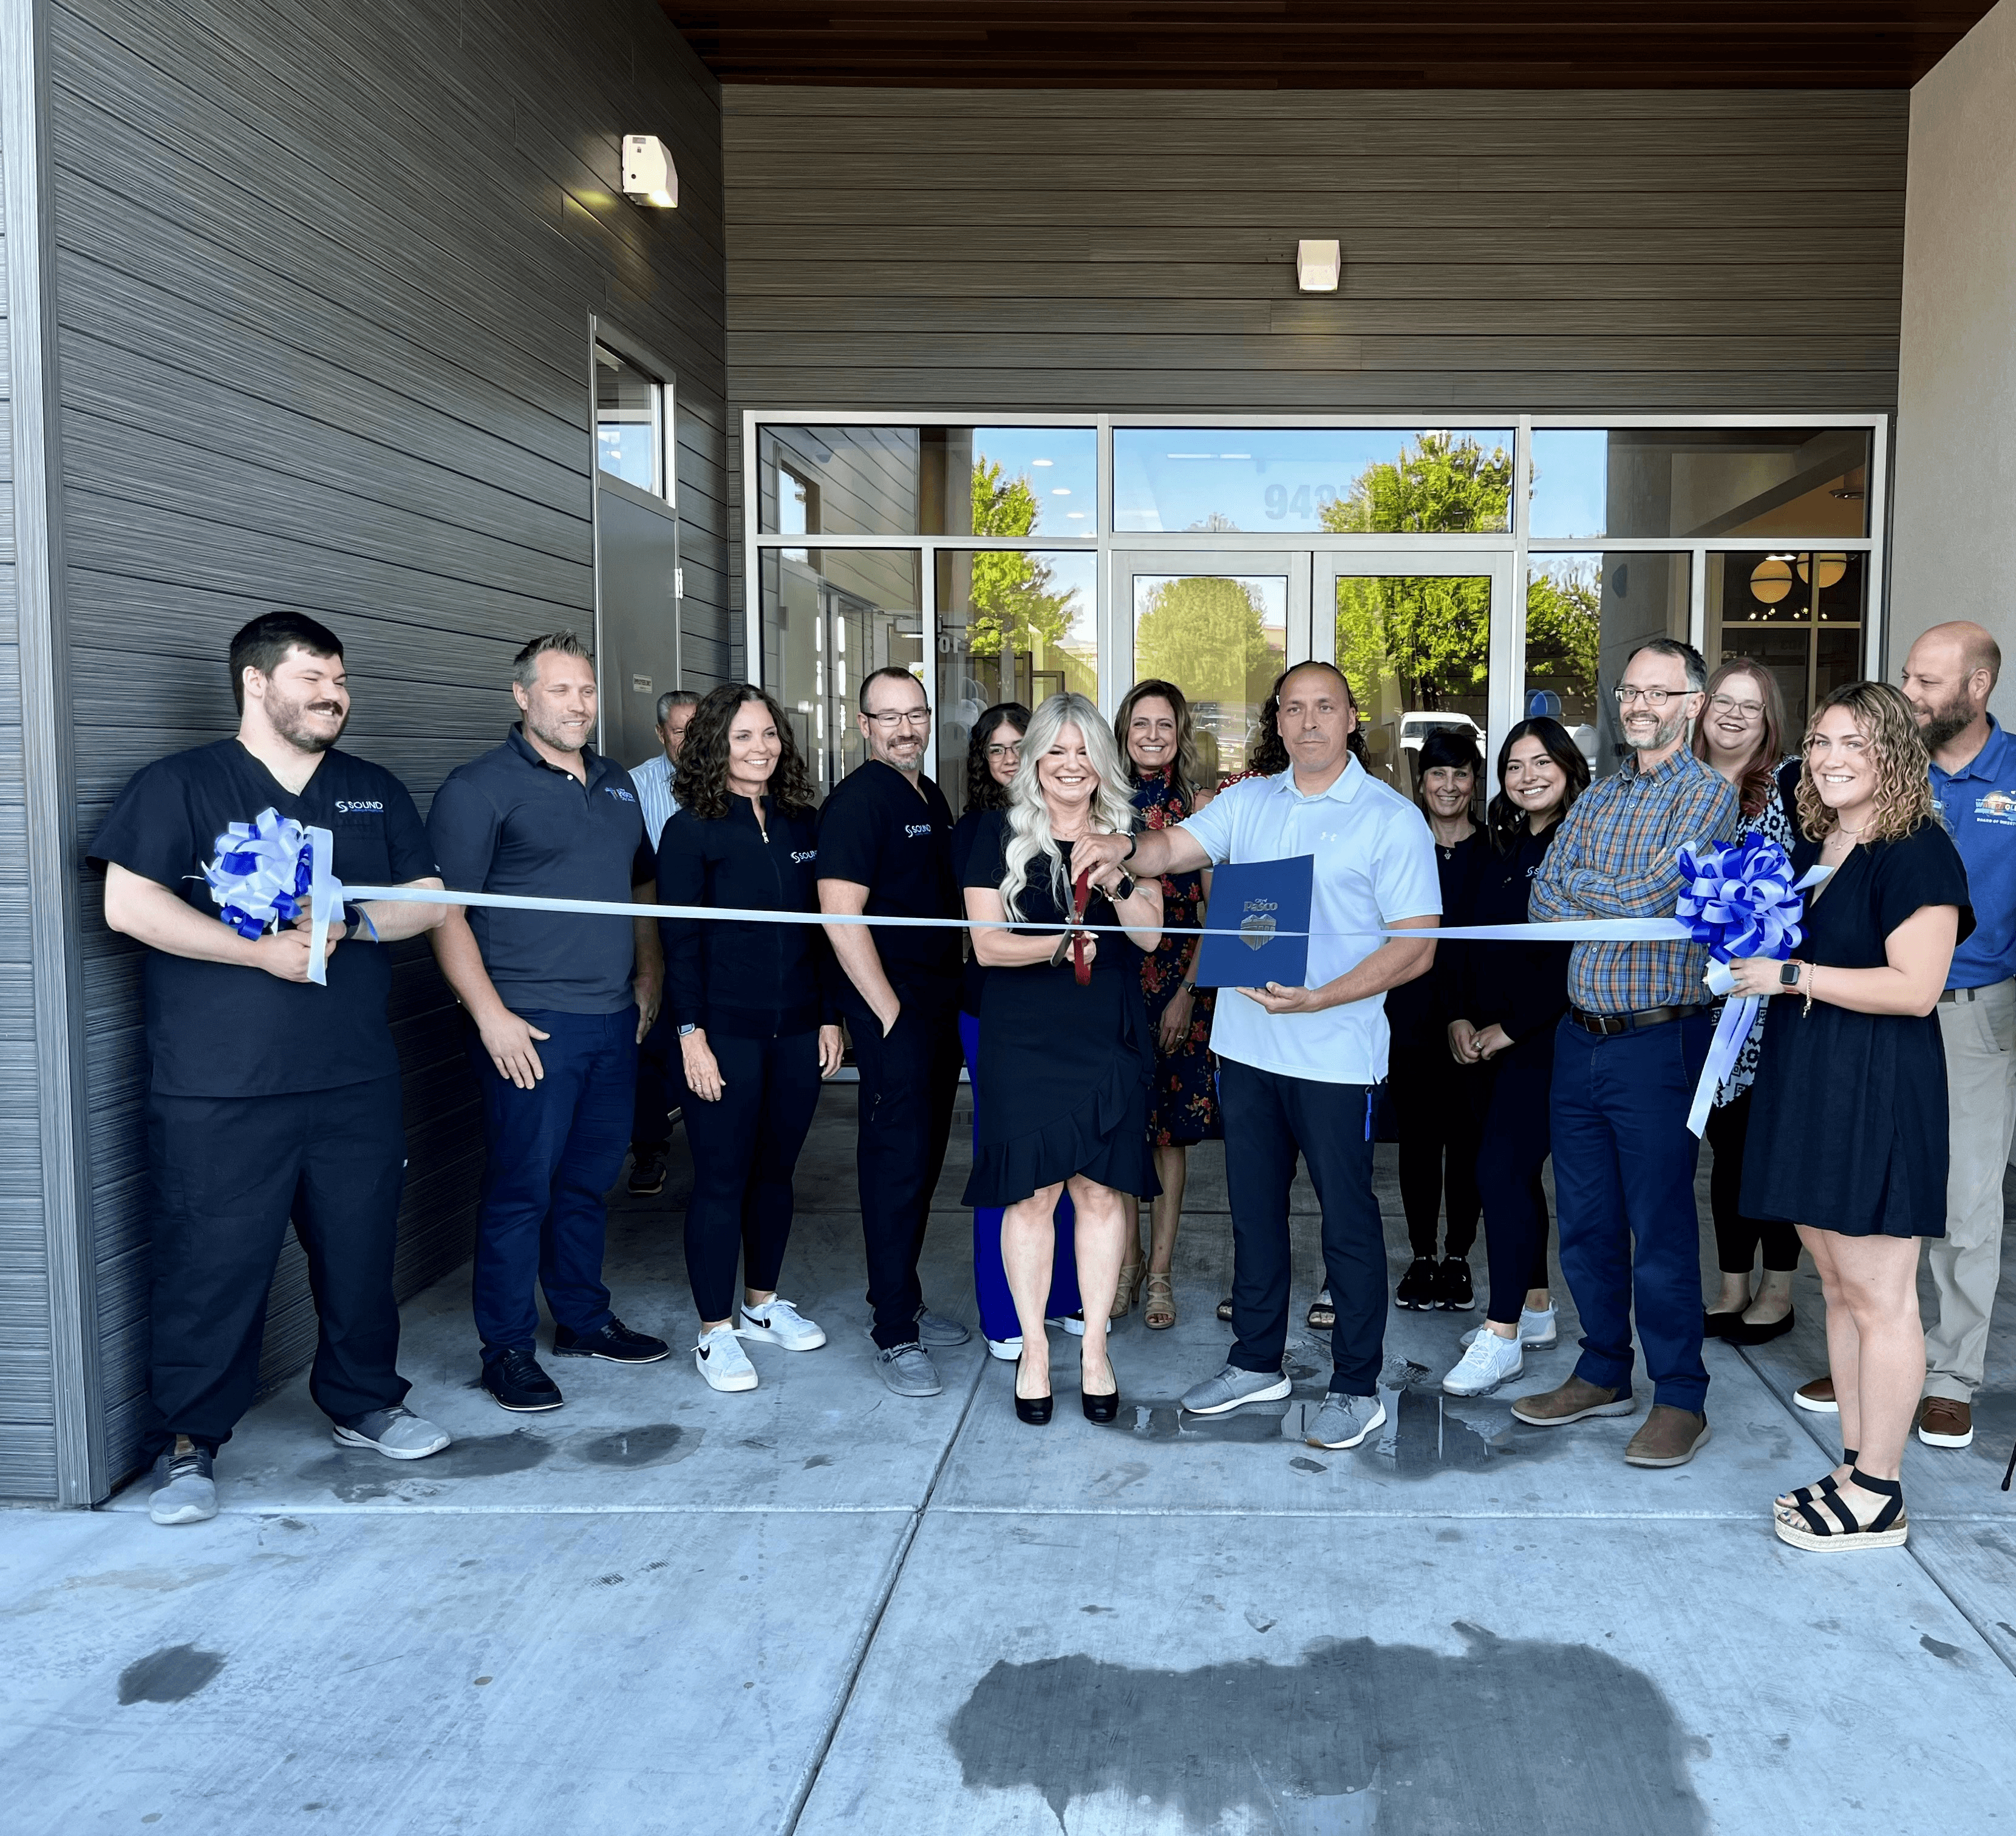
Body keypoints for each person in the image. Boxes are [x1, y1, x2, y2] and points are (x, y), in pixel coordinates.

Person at [91, 612, 451, 1526]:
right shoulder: (182, 785)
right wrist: (253, 955)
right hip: (220, 1084)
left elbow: (429, 902)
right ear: (256, 684)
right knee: (212, 1261)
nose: (334, 695)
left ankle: (366, 1402)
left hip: (351, 1076)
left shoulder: (369, 790)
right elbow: (129, 905)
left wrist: (356, 921)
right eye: (313, 679)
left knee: (361, 1253)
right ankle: (188, 1442)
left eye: (340, 681)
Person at [1076, 662, 1440, 1453]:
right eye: (1294, 709)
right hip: (1245, 1051)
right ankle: (1255, 1363)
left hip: (1337, 1057)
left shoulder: (1390, 818)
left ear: (1351, 720)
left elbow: (1416, 948)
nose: (1309, 722)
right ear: (1277, 722)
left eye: (1325, 708)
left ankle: (1355, 1385)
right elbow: (1171, 847)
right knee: (1253, 1213)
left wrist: (1321, 997)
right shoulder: (1249, 802)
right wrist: (1120, 847)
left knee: (1346, 1221)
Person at [1733, 682, 1970, 1550]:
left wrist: (1792, 977)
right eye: (1824, 741)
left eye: (1855, 745)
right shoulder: (1819, 840)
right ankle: (1855, 1464)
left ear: (1895, 756)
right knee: (1834, 1285)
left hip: (1877, 1084)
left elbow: (1916, 990)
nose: (1832, 759)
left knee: (1880, 1294)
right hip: (1813, 1077)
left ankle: (1883, 1489)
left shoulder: (1917, 852)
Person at [1512, 638, 1740, 1468]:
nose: (1639, 704)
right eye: (1629, 690)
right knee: (1587, 1223)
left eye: (1658, 691)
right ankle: (1604, 1370)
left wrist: (1587, 891)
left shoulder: (1710, 795)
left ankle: (1681, 1394)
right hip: (1581, 1040)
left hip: (1657, 1040)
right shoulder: (1599, 797)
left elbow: (1657, 892)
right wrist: (1590, 892)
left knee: (1661, 1224)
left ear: (1692, 704)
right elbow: (1543, 896)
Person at [429, 631, 669, 1413]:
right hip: (529, 1025)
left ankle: (581, 1319)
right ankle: (504, 1348)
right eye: (561, 690)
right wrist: (489, 1015)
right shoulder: (479, 787)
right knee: (519, 1191)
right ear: (522, 696)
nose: (578, 705)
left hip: (610, 1021)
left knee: (585, 1184)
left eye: (588, 691)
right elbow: (443, 914)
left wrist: (646, 975)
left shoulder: (615, 785)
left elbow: (639, 889)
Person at [1795, 624, 2016, 1450]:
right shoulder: (1836, 830)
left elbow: (1912, 978)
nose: (1916, 695)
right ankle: (1882, 1366)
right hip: (1850, 1039)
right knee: (1863, 1246)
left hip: (1963, 1009)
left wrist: (1793, 978)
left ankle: (1947, 1378)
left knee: (1959, 1204)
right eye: (1909, 682)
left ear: (1979, 685)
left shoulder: (1965, 809)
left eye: (1929, 683)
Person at [961, 692, 1163, 1424]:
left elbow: (1146, 939)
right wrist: (1057, 946)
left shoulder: (1127, 833)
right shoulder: (994, 832)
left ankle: (1094, 1350)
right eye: (1056, 751)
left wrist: (1114, 875)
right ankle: (1037, 1353)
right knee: (1031, 1196)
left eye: (1083, 752)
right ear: (1033, 761)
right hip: (1023, 1034)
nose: (1070, 765)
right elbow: (985, 945)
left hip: (1103, 1032)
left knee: (1101, 1193)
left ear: (1099, 762)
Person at [658, 685, 844, 1393]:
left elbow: (824, 932)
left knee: (775, 1173)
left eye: (768, 733)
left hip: (795, 1027)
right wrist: (689, 1036)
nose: (759, 748)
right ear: (713, 745)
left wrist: (828, 1014)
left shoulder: (801, 823)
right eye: (742, 737)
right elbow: (679, 943)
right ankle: (714, 1333)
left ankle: (762, 1305)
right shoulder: (691, 830)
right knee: (720, 1180)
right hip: (723, 1033)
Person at [818, 665, 972, 1397]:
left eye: (914, 715)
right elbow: (839, 916)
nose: (904, 728)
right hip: (897, 1014)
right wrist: (885, 1011)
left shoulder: (927, 793)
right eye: (888, 717)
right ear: (862, 724)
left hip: (937, 1008)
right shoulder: (856, 803)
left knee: (924, 1162)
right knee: (892, 1168)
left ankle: (902, 1301)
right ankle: (893, 1334)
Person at [1437, 718, 1586, 1395]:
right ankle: (1533, 1310)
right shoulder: (1503, 843)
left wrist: (1511, 1027)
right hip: (1483, 1042)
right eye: (1513, 766)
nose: (1525, 776)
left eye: (1539, 763)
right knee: (1508, 1178)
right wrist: (1460, 1016)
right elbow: (1469, 941)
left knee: (1501, 1173)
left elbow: (1569, 957)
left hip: (1542, 1043)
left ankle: (1500, 1340)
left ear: (1566, 767)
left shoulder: (1577, 842)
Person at [951, 704, 1083, 1360]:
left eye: (1018, 746)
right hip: (993, 1014)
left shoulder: (1082, 822)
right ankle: (1004, 1314)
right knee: (1010, 1168)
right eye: (996, 749)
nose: (1008, 758)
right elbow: (983, 942)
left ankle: (1061, 1298)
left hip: (1067, 1020)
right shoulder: (980, 828)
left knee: (1066, 1165)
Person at [1691, 661, 1803, 1344]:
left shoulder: (1791, 783)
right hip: (1696, 998)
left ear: (1768, 721)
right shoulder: (1679, 783)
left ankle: (1777, 1289)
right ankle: (1731, 1284)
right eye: (1723, 702)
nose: (1733, 716)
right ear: (1701, 709)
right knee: (1725, 1146)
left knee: (1767, 1145)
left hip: (1770, 999)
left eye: (1750, 707)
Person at [1116, 679, 1221, 1332]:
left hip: (1183, 982)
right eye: (1140, 724)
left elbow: (1215, 912)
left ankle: (1159, 1275)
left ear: (1179, 733)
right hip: (1116, 983)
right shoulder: (1102, 802)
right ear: (1124, 732)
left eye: (1164, 725)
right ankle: (1121, 1267)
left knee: (1168, 1138)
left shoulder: (1201, 806)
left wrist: (1186, 992)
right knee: (1123, 1130)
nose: (1152, 736)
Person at [1386, 729, 1486, 1313]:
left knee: (1468, 1143)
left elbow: (1487, 949)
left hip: (1475, 1024)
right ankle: (1422, 1256)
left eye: (1460, 774)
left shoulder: (1492, 852)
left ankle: (1458, 1257)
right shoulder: (1404, 847)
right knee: (1419, 1143)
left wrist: (1469, 1015)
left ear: (1474, 782)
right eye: (1437, 775)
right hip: (1413, 1017)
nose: (1448, 786)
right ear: (1421, 783)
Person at [627, 687, 700, 1197]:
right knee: (650, 1045)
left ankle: (715, 1146)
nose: (691, 741)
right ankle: (650, 1148)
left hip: (708, 943)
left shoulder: (731, 783)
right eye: (680, 731)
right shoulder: (630, 790)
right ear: (661, 734)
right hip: (651, 937)